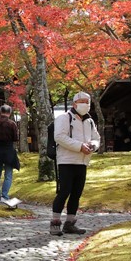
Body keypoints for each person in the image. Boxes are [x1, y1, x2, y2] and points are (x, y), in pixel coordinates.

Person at [50, 92, 100, 236]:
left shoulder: (89, 121)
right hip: (67, 160)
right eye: (82, 101)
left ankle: (70, 224)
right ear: (74, 104)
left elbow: (96, 137)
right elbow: (59, 137)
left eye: (87, 102)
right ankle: (55, 223)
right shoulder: (64, 118)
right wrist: (80, 146)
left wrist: (93, 145)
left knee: (77, 193)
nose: (85, 104)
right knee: (64, 191)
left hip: (83, 161)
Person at [0, 104, 20, 202]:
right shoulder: (12, 124)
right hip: (8, 150)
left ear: (0, 111)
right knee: (8, 175)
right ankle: (4, 196)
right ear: (9, 112)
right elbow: (15, 138)